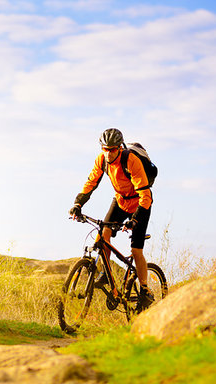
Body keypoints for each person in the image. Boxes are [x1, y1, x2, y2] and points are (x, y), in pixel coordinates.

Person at [69, 127, 154, 310]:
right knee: (103, 233)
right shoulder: (102, 160)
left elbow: (145, 195)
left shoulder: (131, 160)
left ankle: (145, 289)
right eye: (105, 149)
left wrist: (135, 220)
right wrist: (78, 204)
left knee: (136, 249)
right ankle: (106, 274)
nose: (108, 153)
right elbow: (91, 182)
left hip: (140, 204)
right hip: (120, 201)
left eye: (112, 149)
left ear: (119, 148)